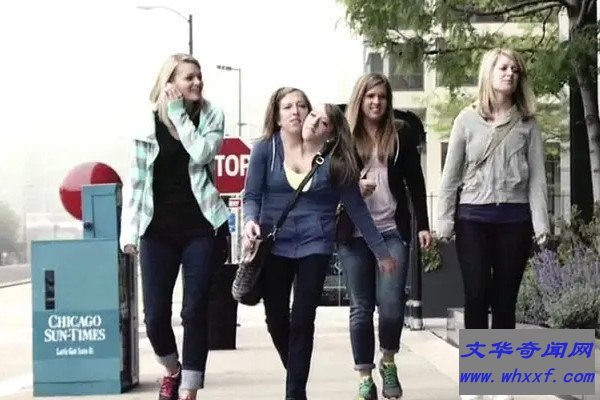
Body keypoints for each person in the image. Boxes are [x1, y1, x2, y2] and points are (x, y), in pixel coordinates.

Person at [242, 87, 396, 400]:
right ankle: (296, 374)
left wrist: (381, 252)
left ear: (330, 131)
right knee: (276, 319)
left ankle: (295, 392)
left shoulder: (334, 162)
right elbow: (252, 195)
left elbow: (357, 209)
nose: (299, 113)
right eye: (290, 107)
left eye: (304, 107)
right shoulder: (266, 150)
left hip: (316, 244)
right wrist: (249, 221)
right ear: (277, 115)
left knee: (303, 318)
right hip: (275, 243)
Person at [436, 48, 550, 400]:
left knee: (504, 300)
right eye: (503, 68)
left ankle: (500, 382)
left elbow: (537, 179)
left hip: (514, 221)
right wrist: (443, 222)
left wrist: (541, 225)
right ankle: (477, 379)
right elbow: (449, 177)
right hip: (473, 219)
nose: (510, 73)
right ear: (489, 73)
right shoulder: (466, 120)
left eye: (515, 69)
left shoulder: (528, 123)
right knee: (475, 295)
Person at [120, 53, 229, 400]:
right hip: (157, 232)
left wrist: (181, 115)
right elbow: (137, 183)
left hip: (202, 227)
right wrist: (129, 233)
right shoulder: (145, 125)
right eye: (188, 77)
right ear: (169, 84)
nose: (197, 82)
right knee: (154, 318)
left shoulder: (211, 116)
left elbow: (202, 154)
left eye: (199, 76)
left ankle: (189, 389)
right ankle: (172, 370)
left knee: (194, 310)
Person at [336, 73, 432, 400]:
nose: (376, 102)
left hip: (391, 231)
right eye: (370, 96)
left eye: (382, 96)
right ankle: (364, 377)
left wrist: (423, 225)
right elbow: (329, 181)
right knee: (361, 308)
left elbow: (415, 182)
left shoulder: (400, 134)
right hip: (354, 235)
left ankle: (388, 360)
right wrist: (354, 187)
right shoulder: (344, 136)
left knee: (391, 305)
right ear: (360, 99)